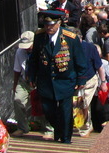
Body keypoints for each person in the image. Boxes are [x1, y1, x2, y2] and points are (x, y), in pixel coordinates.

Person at [28, 9, 90, 144]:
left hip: (66, 80)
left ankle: (66, 139)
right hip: (46, 81)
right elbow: (33, 59)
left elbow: (79, 59)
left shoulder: (70, 38)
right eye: (46, 24)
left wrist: (81, 79)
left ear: (59, 23)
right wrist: (31, 76)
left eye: (51, 25)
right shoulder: (39, 36)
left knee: (65, 111)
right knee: (48, 110)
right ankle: (59, 130)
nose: (48, 27)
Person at [11, 31, 45, 137]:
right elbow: (17, 69)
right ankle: (22, 127)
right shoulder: (20, 52)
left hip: (39, 80)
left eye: (29, 46)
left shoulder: (42, 50)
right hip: (24, 80)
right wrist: (15, 84)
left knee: (43, 103)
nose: (27, 49)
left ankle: (47, 127)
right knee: (18, 100)